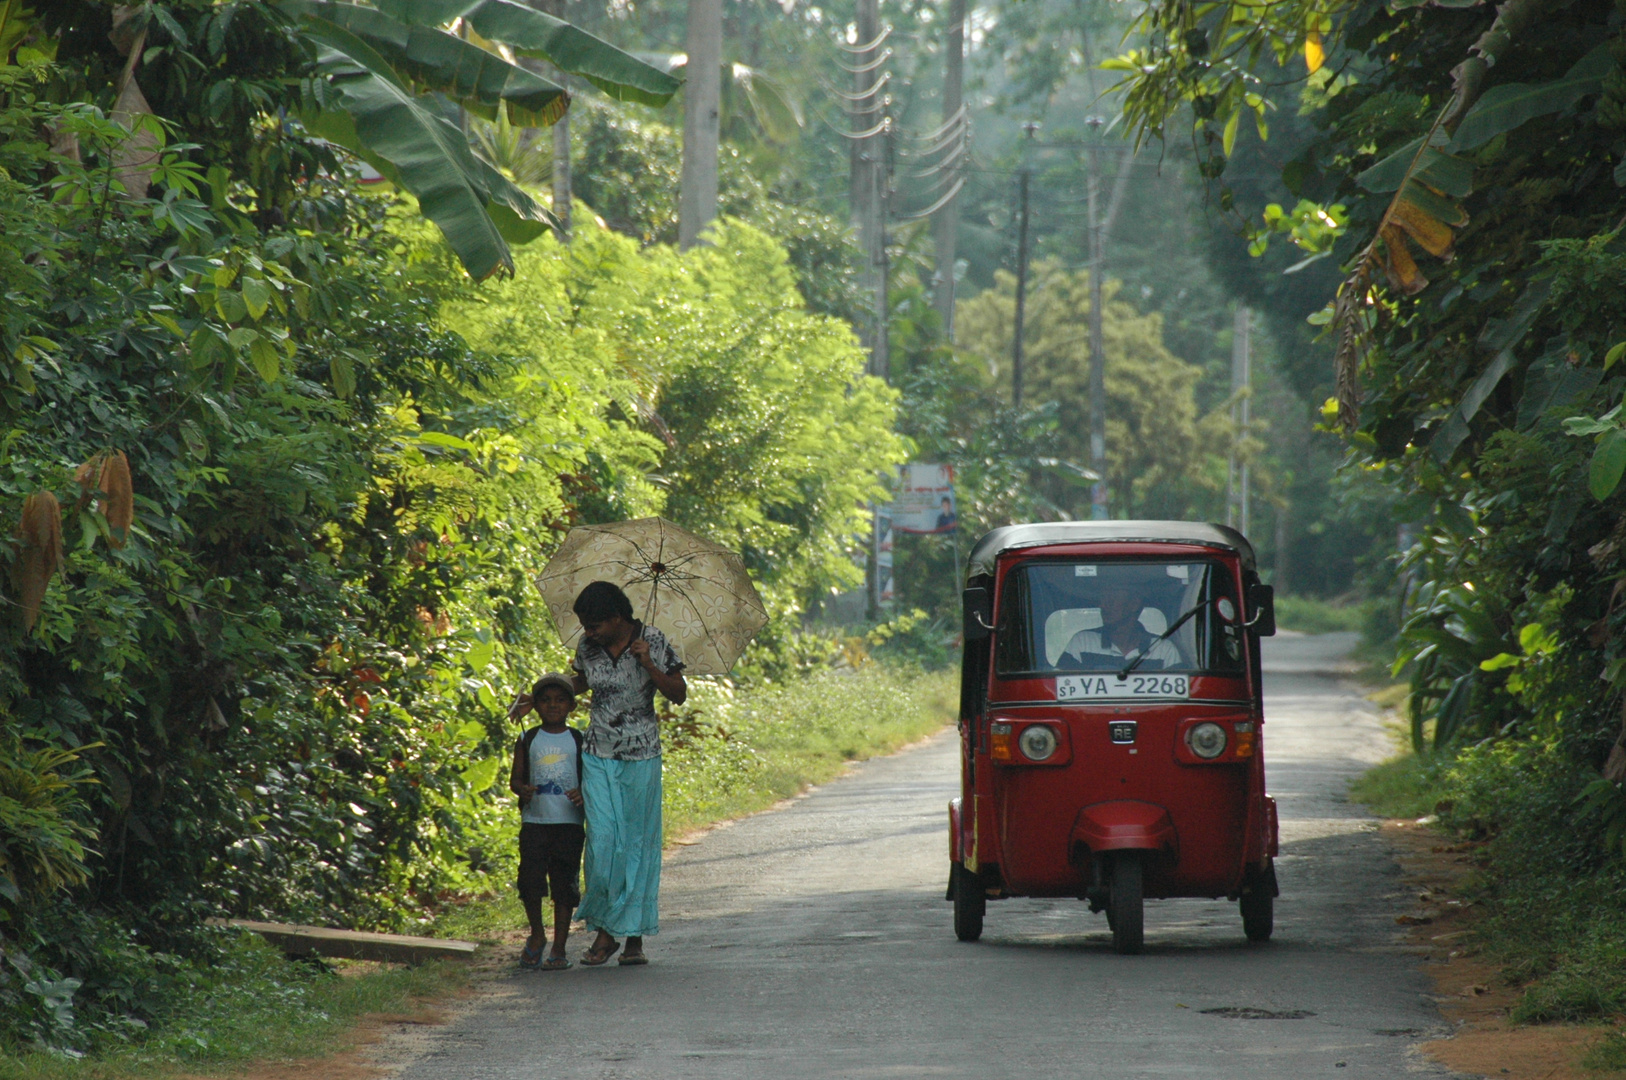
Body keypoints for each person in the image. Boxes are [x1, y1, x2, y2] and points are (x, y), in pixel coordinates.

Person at [569, 580, 686, 967]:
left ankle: (630, 937)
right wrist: (540, 695)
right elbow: (579, 683)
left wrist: (649, 662)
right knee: (602, 843)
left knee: (637, 845)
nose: (588, 632)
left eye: (594, 625)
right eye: (585, 625)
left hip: (642, 756)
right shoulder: (587, 648)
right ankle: (605, 927)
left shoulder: (653, 640)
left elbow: (678, 694)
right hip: (598, 753)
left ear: (617, 618)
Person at [507, 673, 586, 971]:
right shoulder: (528, 738)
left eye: (560, 700)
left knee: (564, 884)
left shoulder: (578, 739)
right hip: (535, 822)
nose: (553, 705)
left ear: (571, 706)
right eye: (546, 700)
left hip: (569, 824)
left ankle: (560, 947)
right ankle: (537, 934)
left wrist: (583, 793)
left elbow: (589, 778)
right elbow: (516, 778)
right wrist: (522, 789)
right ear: (535, 706)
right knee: (530, 880)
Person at [1061, 582, 1181, 670]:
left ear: (1134, 604)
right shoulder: (1082, 642)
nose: (1103, 606)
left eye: (1111, 600)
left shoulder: (1163, 649)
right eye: (1102, 600)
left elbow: (1177, 697)